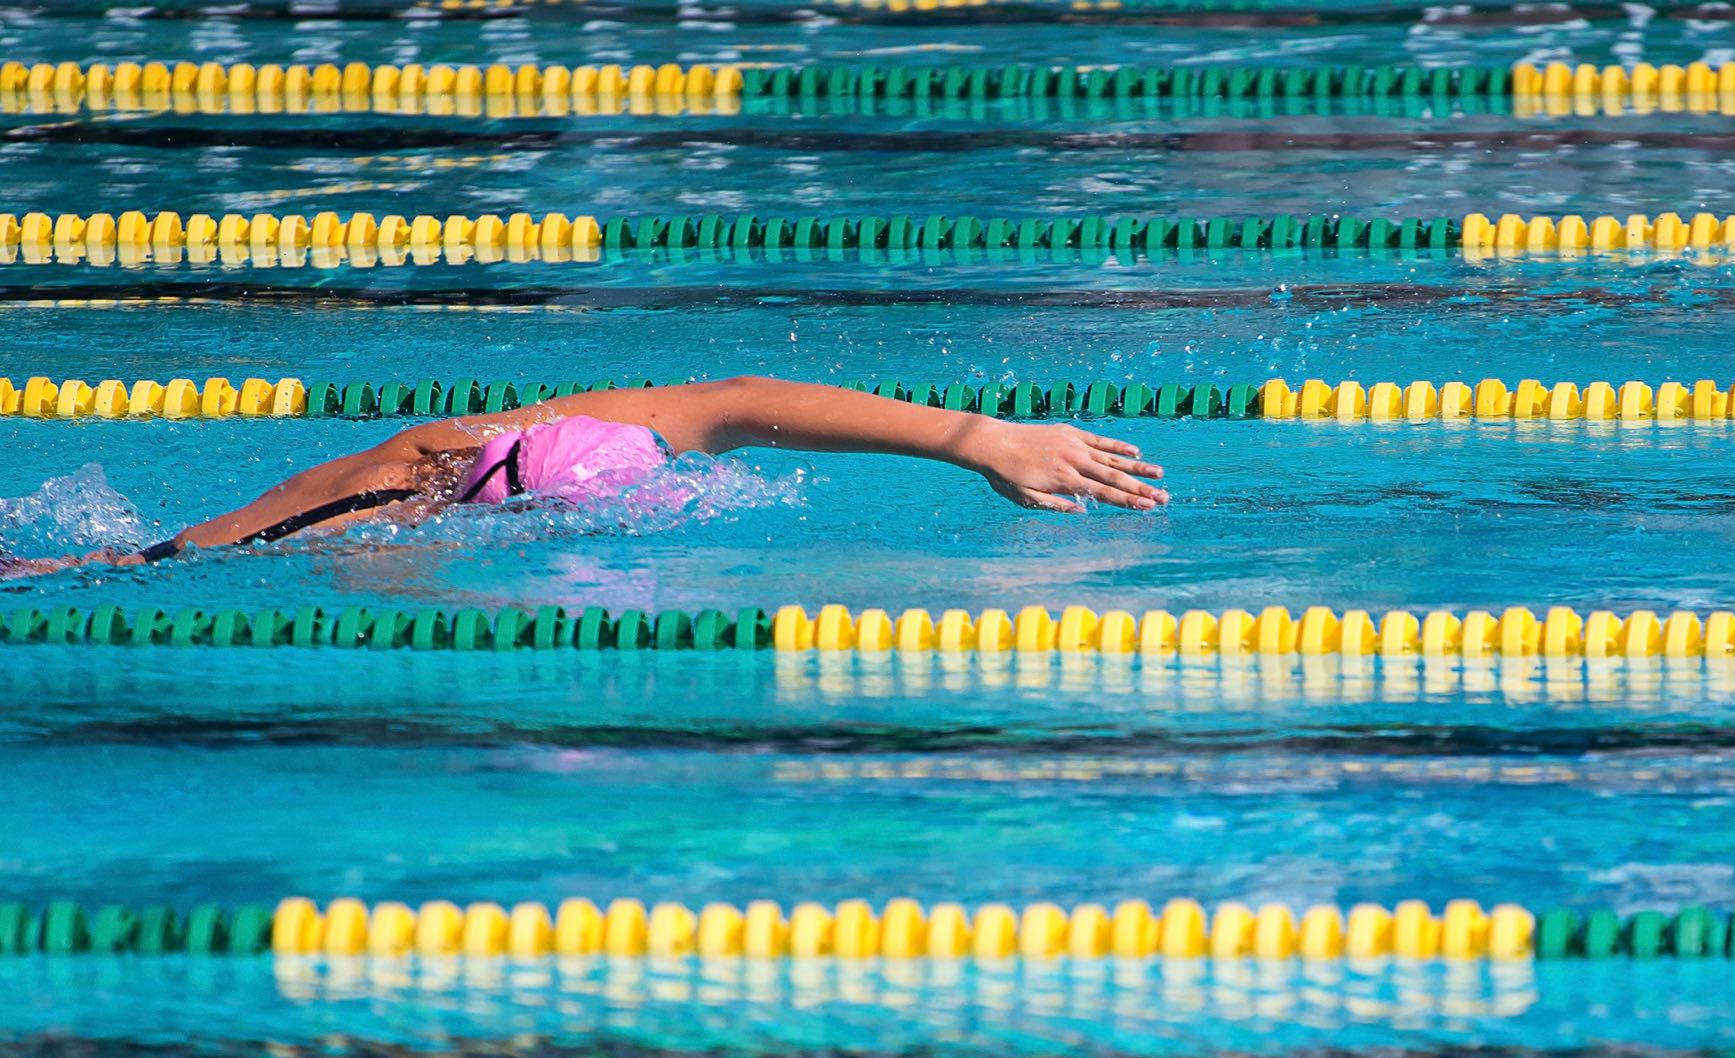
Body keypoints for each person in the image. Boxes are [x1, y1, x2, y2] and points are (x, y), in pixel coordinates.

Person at [10, 377, 1167, 573]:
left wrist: (978, 440)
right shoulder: (381, 508)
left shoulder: (478, 445)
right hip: (164, 561)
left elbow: (742, 403)